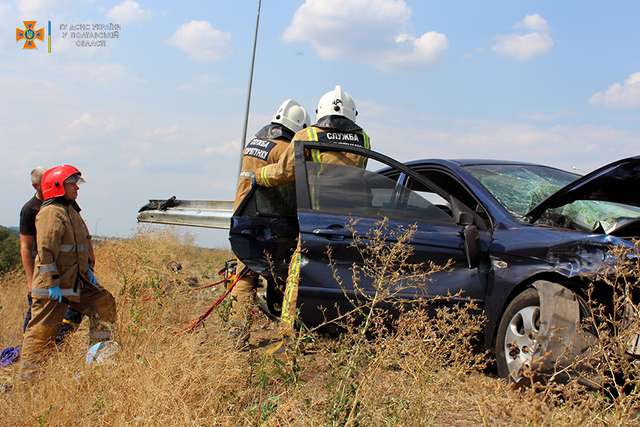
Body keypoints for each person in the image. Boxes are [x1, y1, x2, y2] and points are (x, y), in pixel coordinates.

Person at [254, 85, 371, 352]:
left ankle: (288, 338)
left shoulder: (307, 135)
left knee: (298, 276)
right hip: (353, 222)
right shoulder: (364, 140)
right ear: (352, 114)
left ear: (320, 112)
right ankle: (344, 331)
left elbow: (284, 172)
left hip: (317, 222)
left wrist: (257, 177)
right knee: (346, 277)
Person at [20, 165, 116, 380]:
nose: (77, 188)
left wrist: (88, 270)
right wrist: (51, 284)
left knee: (103, 304)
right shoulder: (50, 213)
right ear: (57, 186)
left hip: (77, 280)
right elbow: (45, 252)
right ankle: (29, 381)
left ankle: (100, 359)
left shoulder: (71, 210)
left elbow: (82, 244)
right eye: (72, 184)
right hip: (52, 284)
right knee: (41, 332)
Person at [228, 99, 310, 348]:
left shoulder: (254, 144)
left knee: (244, 277)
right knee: (286, 275)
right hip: (269, 224)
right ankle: (288, 332)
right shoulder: (283, 149)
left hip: (242, 220)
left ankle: (237, 334)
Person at [19, 167, 84, 343]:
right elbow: (26, 247)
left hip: (67, 272)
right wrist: (31, 282)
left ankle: (58, 344)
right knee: (38, 317)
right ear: (36, 186)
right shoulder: (30, 209)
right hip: (44, 272)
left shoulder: (66, 204)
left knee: (73, 312)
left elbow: (81, 234)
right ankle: (31, 354)